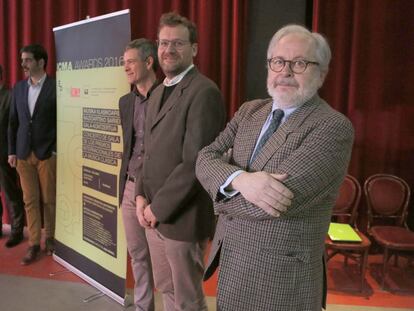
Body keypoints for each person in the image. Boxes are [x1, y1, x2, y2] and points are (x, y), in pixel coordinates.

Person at [196, 24, 354, 311]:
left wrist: (219, 190)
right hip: (232, 266)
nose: (286, 71)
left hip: (282, 281)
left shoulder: (332, 127)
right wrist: (239, 179)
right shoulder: (249, 111)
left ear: (322, 73)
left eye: (300, 63)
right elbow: (205, 157)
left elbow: (275, 203)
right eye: (278, 61)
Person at [135, 12, 226, 311]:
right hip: (152, 215)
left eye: (177, 43)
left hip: (182, 220)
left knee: (188, 300)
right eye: (163, 43)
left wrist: (155, 208)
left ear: (194, 49)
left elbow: (196, 162)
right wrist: (139, 195)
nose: (168, 50)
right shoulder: (158, 91)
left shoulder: (204, 92)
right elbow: (146, 151)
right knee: (167, 290)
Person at [118, 38, 159, 311]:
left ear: (148, 62)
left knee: (166, 262)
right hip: (131, 187)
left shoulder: (168, 96)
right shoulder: (125, 102)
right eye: (124, 63)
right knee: (138, 255)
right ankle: (144, 306)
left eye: (131, 61)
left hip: (159, 191)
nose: (126, 68)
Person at [8, 44, 57, 265]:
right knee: (30, 201)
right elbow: (13, 123)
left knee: (48, 200)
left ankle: (51, 239)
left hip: (46, 153)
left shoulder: (56, 86)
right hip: (22, 153)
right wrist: (11, 151)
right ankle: (34, 244)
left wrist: (55, 150)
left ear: (40, 62)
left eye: (27, 60)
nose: (23, 64)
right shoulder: (18, 88)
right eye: (22, 60)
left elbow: (62, 121)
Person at [0, 64, 25, 246]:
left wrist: (12, 151)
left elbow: (14, 126)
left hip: (4, 154)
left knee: (11, 193)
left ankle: (17, 231)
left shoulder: (10, 96)